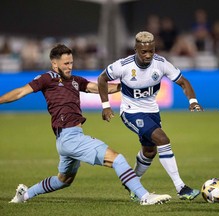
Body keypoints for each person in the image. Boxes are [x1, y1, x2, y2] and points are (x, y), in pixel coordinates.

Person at [1, 44, 171, 205]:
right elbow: (21, 91)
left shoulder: (75, 80)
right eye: (66, 63)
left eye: (71, 63)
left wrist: (126, 85)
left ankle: (26, 194)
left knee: (63, 180)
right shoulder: (47, 78)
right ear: (54, 64)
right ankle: (144, 196)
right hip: (69, 137)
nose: (70, 66)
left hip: (67, 140)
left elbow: (99, 88)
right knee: (117, 159)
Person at [97, 31, 204, 201]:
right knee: (162, 139)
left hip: (152, 111)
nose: (148, 55)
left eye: (151, 51)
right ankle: (181, 187)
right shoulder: (123, 66)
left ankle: (133, 184)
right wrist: (106, 106)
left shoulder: (161, 64)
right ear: (135, 50)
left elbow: (183, 82)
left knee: (149, 151)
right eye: (143, 52)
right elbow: (102, 79)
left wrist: (193, 101)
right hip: (131, 112)